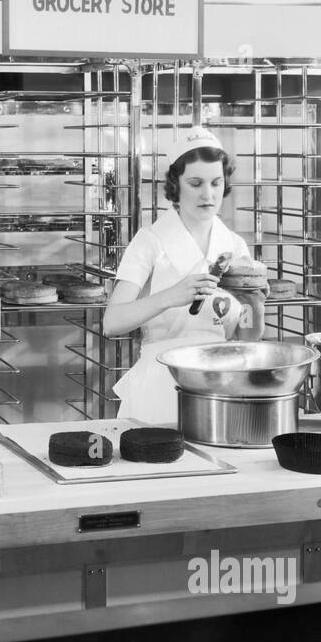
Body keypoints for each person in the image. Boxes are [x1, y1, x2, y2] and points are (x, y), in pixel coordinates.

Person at [103, 127, 266, 426]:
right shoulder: (149, 242)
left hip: (221, 385)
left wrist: (254, 305)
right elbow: (111, 323)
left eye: (216, 183)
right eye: (196, 183)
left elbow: (246, 336)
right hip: (161, 385)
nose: (208, 194)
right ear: (176, 185)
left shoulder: (234, 247)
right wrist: (169, 297)